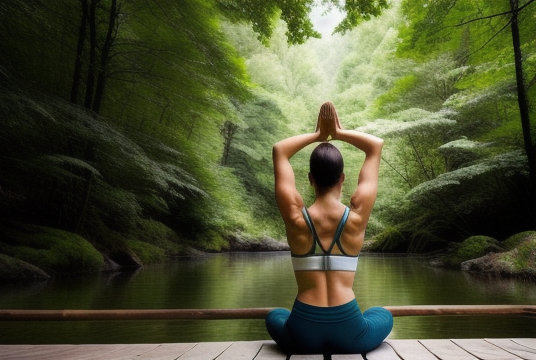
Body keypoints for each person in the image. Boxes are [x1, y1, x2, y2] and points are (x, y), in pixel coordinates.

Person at [266, 101, 393, 357]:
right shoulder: (356, 217)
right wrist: (338, 132)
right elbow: (375, 146)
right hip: (350, 332)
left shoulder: (296, 217)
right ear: (343, 178)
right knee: (382, 314)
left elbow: (279, 150)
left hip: (302, 335)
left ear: (310, 178)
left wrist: (318, 135)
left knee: (275, 315)